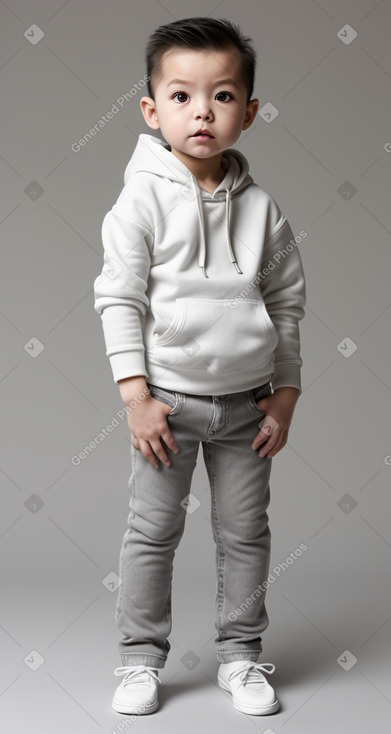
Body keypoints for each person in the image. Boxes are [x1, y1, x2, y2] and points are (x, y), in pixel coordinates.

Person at [93, 16, 306, 717]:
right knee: (151, 533)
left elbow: (285, 304)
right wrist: (135, 396)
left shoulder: (262, 209)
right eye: (181, 96)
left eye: (221, 96)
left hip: (247, 406)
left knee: (245, 533)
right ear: (152, 111)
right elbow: (117, 298)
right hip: (168, 407)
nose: (202, 112)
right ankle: (138, 660)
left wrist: (284, 393)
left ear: (247, 112)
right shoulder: (140, 199)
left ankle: (241, 656)